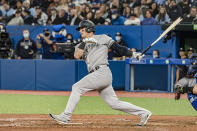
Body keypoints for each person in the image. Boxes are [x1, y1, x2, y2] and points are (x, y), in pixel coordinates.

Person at [49, 20, 151, 126]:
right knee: (114, 104)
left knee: (77, 87)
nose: (80, 31)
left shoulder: (103, 38)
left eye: (82, 29)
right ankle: (144, 113)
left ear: (89, 29)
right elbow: (77, 55)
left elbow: (119, 49)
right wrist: (85, 42)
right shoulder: (81, 44)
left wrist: (134, 54)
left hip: (102, 71)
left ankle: (66, 116)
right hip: (97, 74)